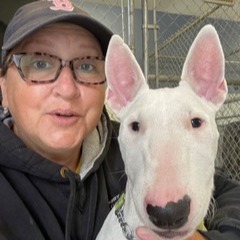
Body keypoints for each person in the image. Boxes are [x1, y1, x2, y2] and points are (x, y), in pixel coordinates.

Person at [0, 1, 239, 240]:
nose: (66, 88)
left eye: (85, 65)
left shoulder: (118, 144)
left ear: (107, 89)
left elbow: (229, 192)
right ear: (3, 87)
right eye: (40, 63)